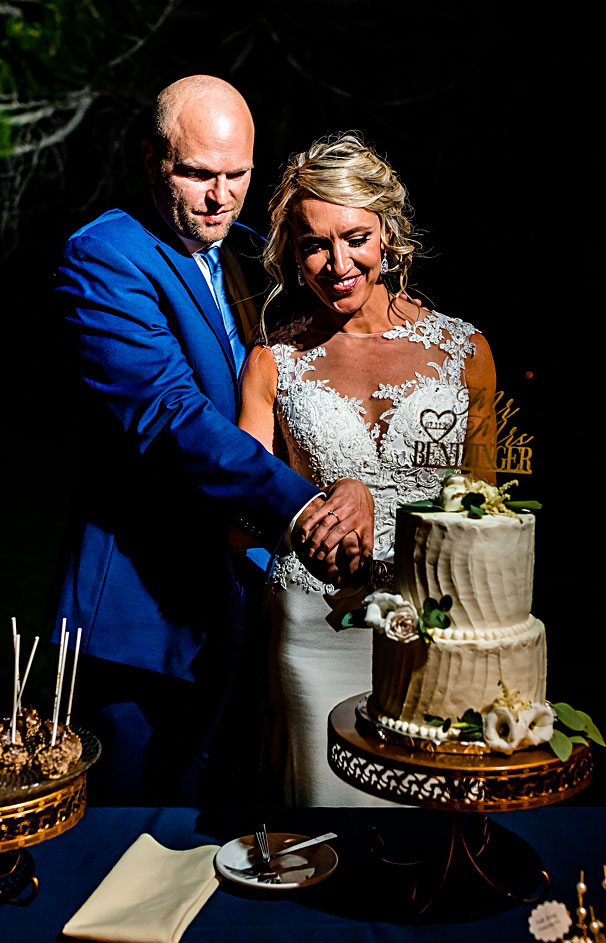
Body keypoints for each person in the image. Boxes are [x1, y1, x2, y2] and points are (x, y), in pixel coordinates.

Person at [53, 76, 373, 806]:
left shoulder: (252, 251)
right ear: (150, 160)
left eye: (237, 175)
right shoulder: (105, 256)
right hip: (146, 621)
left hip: (253, 606)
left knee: (231, 841)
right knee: (131, 847)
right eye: (197, 173)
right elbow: (171, 415)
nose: (219, 195)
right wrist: (301, 508)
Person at [235, 132, 496, 806]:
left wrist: (381, 508)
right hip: (313, 625)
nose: (337, 263)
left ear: (388, 233)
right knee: (326, 819)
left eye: (354, 237)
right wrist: (321, 499)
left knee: (428, 825)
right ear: (293, 254)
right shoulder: (272, 362)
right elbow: (240, 517)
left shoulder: (466, 351)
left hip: (433, 622)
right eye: (314, 244)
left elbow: (489, 515)